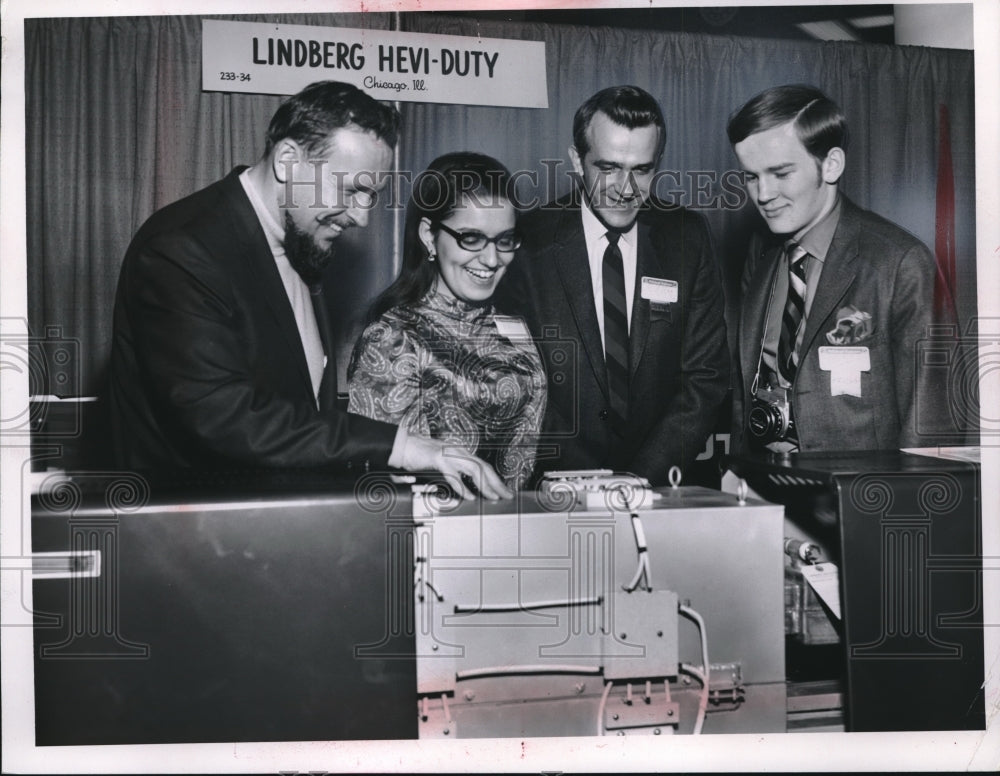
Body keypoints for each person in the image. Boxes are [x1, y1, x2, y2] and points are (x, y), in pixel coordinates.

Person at [108, 81, 510, 500]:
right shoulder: (183, 248)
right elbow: (224, 417)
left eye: (371, 195)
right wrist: (403, 446)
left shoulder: (302, 237)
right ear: (287, 160)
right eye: (351, 189)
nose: (361, 217)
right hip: (188, 536)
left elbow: (303, 407)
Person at [495, 85, 729, 486]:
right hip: (553, 488)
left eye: (642, 170)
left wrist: (641, 478)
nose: (625, 188)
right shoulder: (526, 242)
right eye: (608, 167)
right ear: (576, 161)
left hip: (655, 486)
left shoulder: (687, 237)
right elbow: (510, 381)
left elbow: (704, 378)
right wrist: (573, 483)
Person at [727, 83, 949, 454]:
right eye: (751, 176)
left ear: (831, 165)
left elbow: (928, 425)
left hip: (863, 500)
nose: (763, 195)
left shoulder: (899, 262)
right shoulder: (763, 259)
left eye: (780, 174)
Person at [348, 152, 546, 490]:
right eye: (471, 238)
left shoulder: (516, 326)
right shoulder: (392, 338)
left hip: (516, 529)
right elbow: (377, 478)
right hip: (432, 535)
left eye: (505, 240)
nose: (491, 259)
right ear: (429, 236)